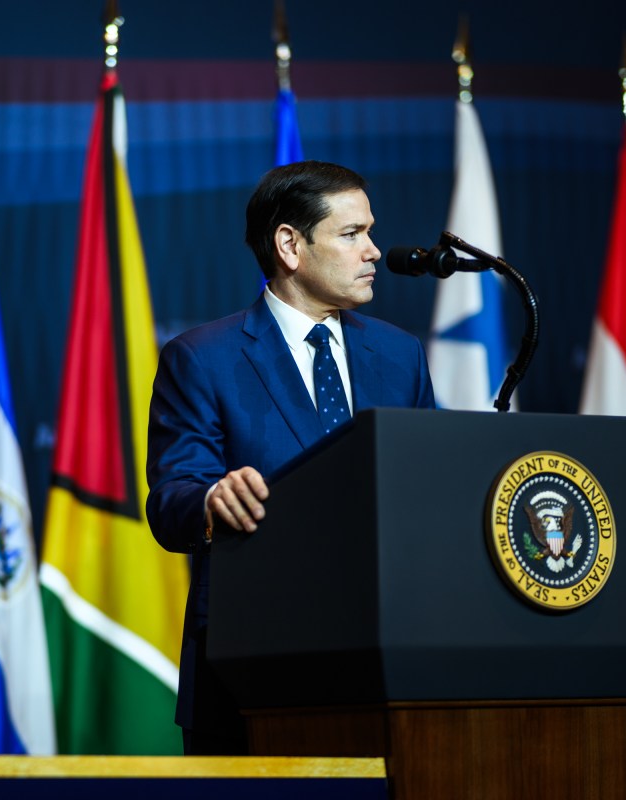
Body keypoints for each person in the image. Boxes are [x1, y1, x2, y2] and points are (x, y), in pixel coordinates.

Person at [146, 161, 436, 755]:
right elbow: (171, 499)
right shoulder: (203, 359)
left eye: (370, 231)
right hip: (252, 669)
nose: (375, 251)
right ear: (290, 245)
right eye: (352, 234)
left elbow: (425, 487)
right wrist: (211, 500)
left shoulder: (399, 354)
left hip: (389, 668)